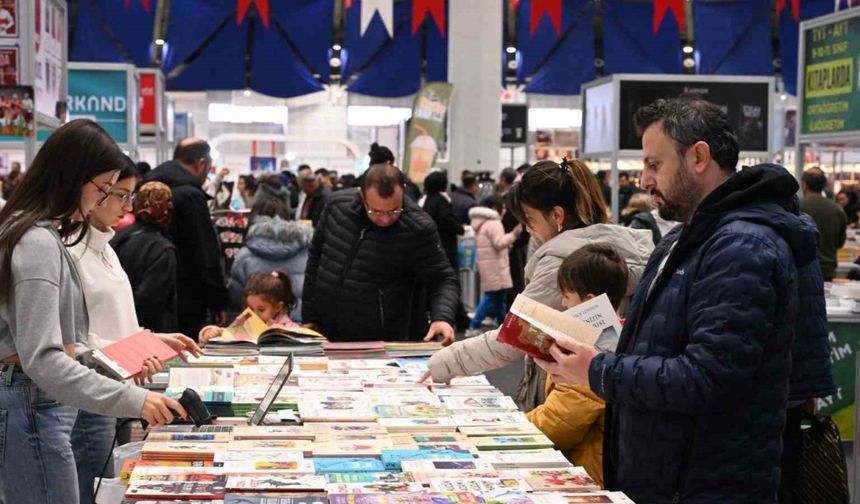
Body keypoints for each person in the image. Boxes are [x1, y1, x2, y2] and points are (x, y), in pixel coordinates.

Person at [534, 97, 820, 503]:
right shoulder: (683, 239)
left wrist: (599, 370)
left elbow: (710, 376)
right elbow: (663, 344)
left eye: (654, 164)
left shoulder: (740, 247)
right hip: (667, 476)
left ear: (699, 157)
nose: (644, 179)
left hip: (703, 484)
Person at [0, 119, 187, 503]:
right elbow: (44, 358)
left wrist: (108, 362)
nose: (101, 201)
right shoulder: (36, 241)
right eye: (103, 189)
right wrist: (135, 399)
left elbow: (62, 346)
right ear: (72, 176)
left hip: (38, 403)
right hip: (31, 404)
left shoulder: (42, 235)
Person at [423, 160, 654, 411]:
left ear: (557, 215)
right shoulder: (610, 246)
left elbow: (512, 336)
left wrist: (444, 362)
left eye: (530, 219)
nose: (529, 229)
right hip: (606, 397)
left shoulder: (563, 260)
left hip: (565, 397)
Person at [68, 159, 201, 504]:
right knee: (91, 491)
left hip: (118, 388)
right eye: (121, 196)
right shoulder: (67, 252)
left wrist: (151, 339)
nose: (128, 208)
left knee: (108, 487)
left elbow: (113, 320)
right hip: (90, 396)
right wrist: (131, 354)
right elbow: (73, 341)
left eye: (131, 196)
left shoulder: (106, 246)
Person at [303, 163, 459, 344]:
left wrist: (442, 317)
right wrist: (309, 316)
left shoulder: (418, 227)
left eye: (394, 210)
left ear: (403, 192)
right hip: (325, 330)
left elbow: (444, 279)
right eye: (375, 211)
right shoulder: (336, 207)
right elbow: (315, 259)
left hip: (381, 341)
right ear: (362, 195)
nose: (385, 219)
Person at [527, 243, 629, 487]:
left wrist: (510, 430)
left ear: (588, 302)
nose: (563, 304)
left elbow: (557, 425)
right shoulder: (625, 337)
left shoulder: (591, 355)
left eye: (567, 296)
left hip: (589, 476)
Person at [142, 138, 229, 339]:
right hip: (186, 298)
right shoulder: (190, 195)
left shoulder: (149, 186)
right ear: (201, 164)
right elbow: (205, 253)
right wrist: (217, 300)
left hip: (150, 294)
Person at [228, 198, 312, 323]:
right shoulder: (308, 252)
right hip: (301, 328)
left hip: (256, 330)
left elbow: (235, 297)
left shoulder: (245, 256)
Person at [112, 181, 180, 334]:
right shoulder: (162, 250)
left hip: (114, 330)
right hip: (148, 338)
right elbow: (149, 303)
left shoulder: (117, 237)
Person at [420, 170, 468, 331]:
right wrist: (460, 228)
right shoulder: (442, 201)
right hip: (446, 248)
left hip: (430, 249)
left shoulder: (425, 201)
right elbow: (449, 222)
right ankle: (459, 319)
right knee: (450, 283)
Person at [467, 195, 522, 336]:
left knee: (499, 297)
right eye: (502, 207)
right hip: (496, 266)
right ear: (494, 208)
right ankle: (474, 325)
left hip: (489, 265)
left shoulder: (482, 223)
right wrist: (514, 234)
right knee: (491, 297)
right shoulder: (494, 223)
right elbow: (499, 243)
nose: (504, 210)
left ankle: (502, 325)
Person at [201, 271, 299, 343]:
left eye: (261, 309)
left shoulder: (290, 328)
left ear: (278, 307)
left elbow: (301, 341)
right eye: (251, 309)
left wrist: (282, 334)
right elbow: (227, 333)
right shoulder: (245, 320)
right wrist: (208, 332)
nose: (254, 315)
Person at [800, 167, 847, 281]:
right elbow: (840, 243)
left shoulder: (797, 207)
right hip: (828, 269)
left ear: (804, 185)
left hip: (802, 267)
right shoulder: (837, 209)